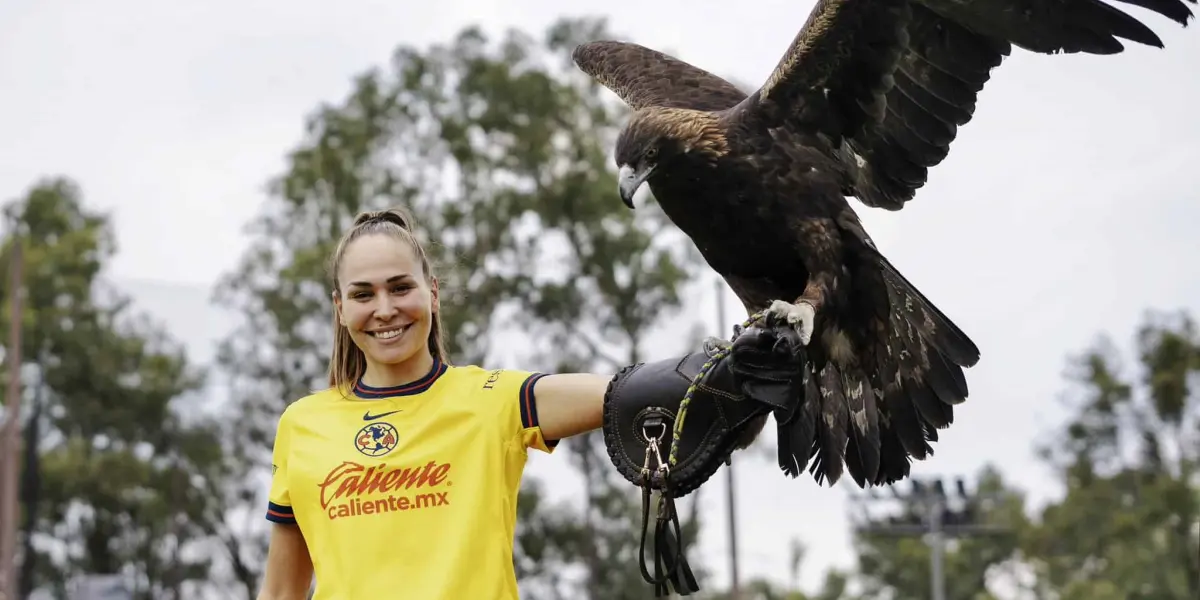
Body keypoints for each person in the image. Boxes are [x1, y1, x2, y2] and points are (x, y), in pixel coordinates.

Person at [255, 206, 805, 600]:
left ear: (432, 293)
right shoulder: (303, 426)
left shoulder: (490, 400)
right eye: (363, 294)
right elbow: (282, 591)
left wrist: (730, 368)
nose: (385, 308)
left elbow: (623, 393)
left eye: (401, 287)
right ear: (339, 308)